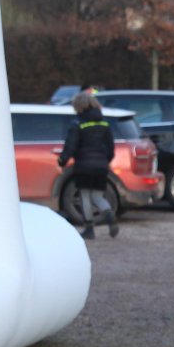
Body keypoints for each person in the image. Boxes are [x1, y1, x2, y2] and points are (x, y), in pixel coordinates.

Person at [57, 91, 118, 239]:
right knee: (97, 196)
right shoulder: (104, 124)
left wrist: (62, 160)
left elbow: (70, 146)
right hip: (101, 166)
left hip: (83, 165)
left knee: (85, 196)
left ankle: (89, 229)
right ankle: (110, 216)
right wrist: (105, 161)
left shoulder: (78, 124)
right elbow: (110, 148)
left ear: (78, 106)